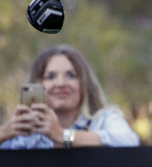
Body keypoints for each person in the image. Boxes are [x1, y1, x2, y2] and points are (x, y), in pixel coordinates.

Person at [0, 45, 139, 149]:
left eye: (71, 75)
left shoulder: (103, 120)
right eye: (50, 76)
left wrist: (63, 135)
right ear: (37, 84)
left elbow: (130, 141)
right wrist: (5, 132)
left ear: (84, 83)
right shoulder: (25, 134)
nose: (60, 83)